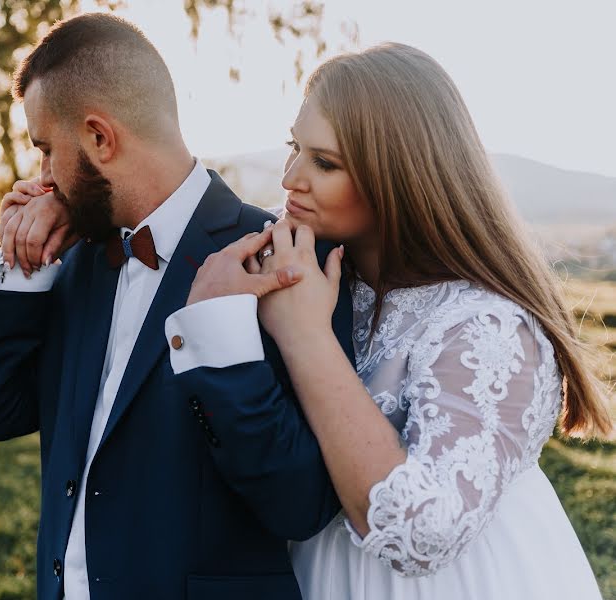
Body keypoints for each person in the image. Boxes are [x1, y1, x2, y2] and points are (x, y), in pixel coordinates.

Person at [176, 42, 611, 599]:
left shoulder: (487, 327)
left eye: (324, 162)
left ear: (399, 176)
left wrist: (305, 335)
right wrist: (67, 204)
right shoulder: (317, 279)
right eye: (294, 148)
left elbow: (422, 534)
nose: (289, 178)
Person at [0, 13, 354, 600]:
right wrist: (24, 264)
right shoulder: (75, 259)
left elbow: (300, 504)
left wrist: (220, 339)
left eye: (47, 150)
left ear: (100, 137)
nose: (41, 178)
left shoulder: (280, 260)